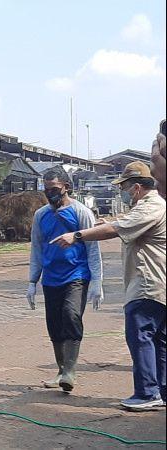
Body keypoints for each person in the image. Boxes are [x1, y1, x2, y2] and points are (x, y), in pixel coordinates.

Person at [51, 161, 166, 411]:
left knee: (141, 337)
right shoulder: (149, 206)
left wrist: (77, 235)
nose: (122, 192)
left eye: (124, 187)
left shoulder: (151, 206)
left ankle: (147, 392)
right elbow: (123, 224)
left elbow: (115, 229)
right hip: (157, 284)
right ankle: (161, 391)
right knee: (159, 340)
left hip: (148, 284)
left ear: (136, 187)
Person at [27, 169, 103, 392]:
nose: (50, 193)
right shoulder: (41, 215)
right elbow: (36, 248)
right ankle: (61, 371)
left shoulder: (81, 212)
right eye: (46, 189)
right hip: (51, 277)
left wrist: (97, 281)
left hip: (76, 275)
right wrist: (32, 281)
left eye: (54, 189)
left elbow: (93, 248)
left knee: (71, 315)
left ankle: (70, 370)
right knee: (54, 323)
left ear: (66, 188)